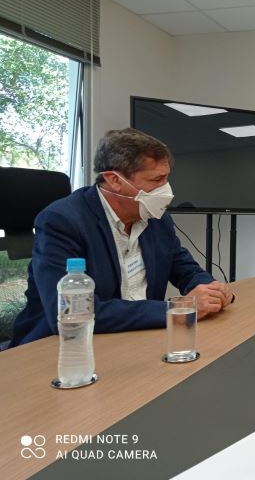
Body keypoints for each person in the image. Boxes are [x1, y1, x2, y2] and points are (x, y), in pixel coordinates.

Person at [11, 128, 233, 346]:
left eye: (166, 179)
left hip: (137, 338)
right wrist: (175, 308)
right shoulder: (62, 221)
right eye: (157, 180)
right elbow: (72, 313)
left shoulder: (157, 218)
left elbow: (184, 268)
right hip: (64, 347)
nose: (166, 190)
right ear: (114, 180)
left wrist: (211, 289)